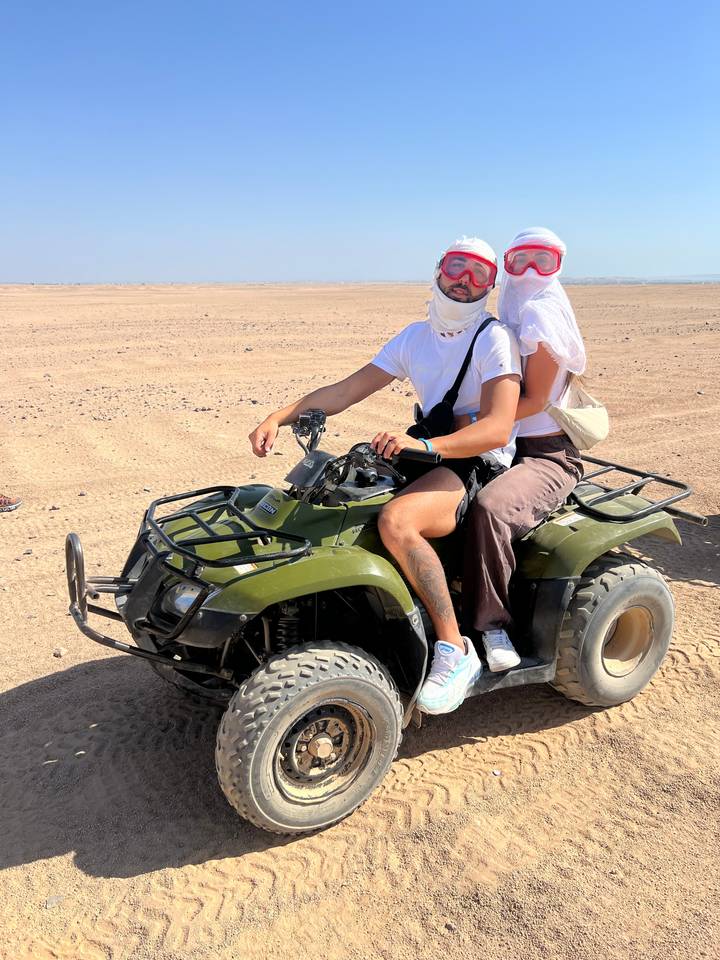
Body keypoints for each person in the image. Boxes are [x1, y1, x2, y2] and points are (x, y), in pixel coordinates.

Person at [249, 237, 522, 714]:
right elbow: (347, 389)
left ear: (491, 286)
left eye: (479, 275)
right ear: (439, 270)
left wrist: (426, 446)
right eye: (458, 268)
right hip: (428, 449)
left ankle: (454, 649)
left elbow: (498, 428)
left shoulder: (493, 339)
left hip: (475, 457)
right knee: (338, 496)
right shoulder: (415, 336)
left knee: (397, 521)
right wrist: (279, 415)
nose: (464, 282)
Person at [459, 227, 586, 670]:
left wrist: (472, 424)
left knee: (490, 508)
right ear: (506, 267)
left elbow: (534, 400)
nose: (531, 272)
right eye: (521, 261)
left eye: (543, 261)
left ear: (558, 266)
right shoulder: (511, 314)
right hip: (504, 440)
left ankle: (493, 627)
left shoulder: (542, 316)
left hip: (545, 451)